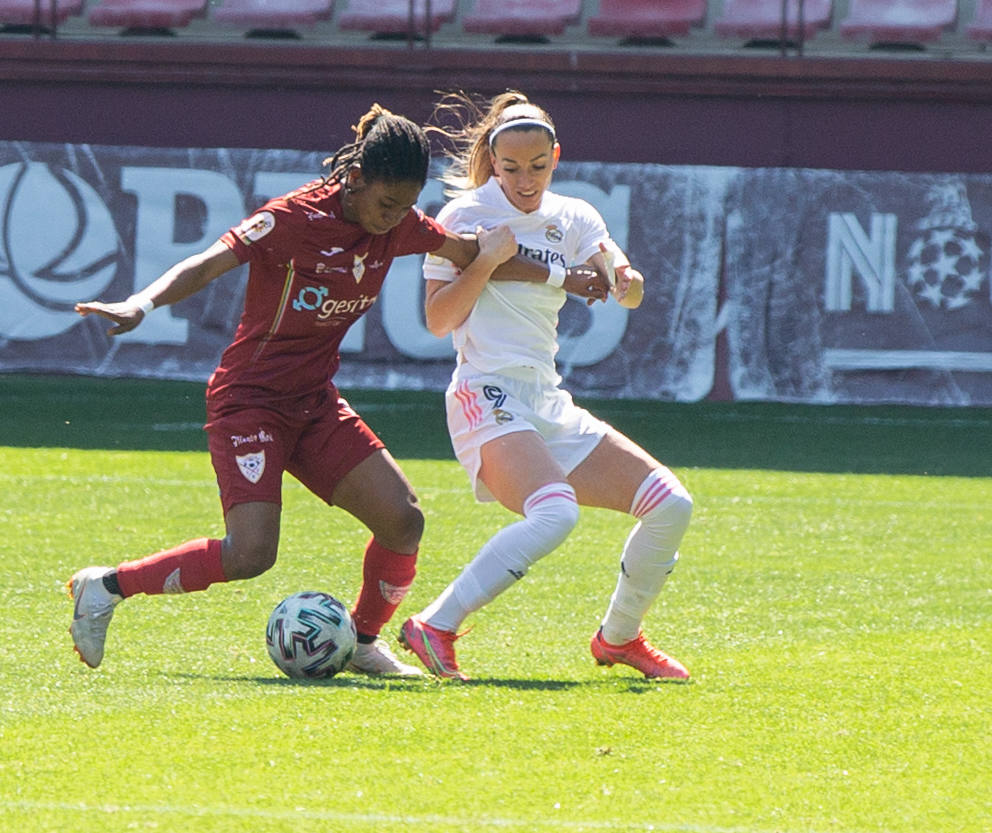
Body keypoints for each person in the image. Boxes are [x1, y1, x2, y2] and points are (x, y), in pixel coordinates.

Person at [66, 104, 605, 676]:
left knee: (403, 521)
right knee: (251, 555)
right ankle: (106, 587)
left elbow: (477, 257)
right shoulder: (293, 218)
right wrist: (139, 304)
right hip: (250, 401)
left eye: (405, 206)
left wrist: (565, 278)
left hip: (315, 402)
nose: (394, 218)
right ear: (355, 180)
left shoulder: (401, 226)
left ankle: (363, 642)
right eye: (385, 204)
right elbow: (206, 263)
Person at [396, 91, 694, 681]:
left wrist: (624, 277)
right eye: (510, 168)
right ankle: (434, 625)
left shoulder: (576, 216)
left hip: (545, 400)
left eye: (537, 166)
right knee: (554, 512)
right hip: (485, 392)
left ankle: (619, 639)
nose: (524, 179)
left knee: (671, 505)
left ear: (556, 157)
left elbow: (627, 289)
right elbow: (437, 321)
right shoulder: (464, 217)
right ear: (491, 159)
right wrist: (483, 263)